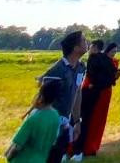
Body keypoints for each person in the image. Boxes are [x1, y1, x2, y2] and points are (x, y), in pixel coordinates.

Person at [40, 30, 88, 163]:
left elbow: (77, 93)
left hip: (65, 123)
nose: (87, 43)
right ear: (75, 47)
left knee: (58, 156)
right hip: (50, 122)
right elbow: (42, 99)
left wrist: (77, 121)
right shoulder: (57, 70)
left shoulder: (81, 67)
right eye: (84, 40)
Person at [74, 40, 120, 158]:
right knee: (97, 120)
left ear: (94, 47)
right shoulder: (109, 61)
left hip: (90, 93)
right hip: (103, 92)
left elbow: (91, 75)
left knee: (83, 120)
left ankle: (78, 148)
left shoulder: (93, 58)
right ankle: (91, 146)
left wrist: (93, 85)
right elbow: (112, 79)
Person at [6, 80, 61, 162]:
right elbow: (53, 141)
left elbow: (17, 146)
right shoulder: (56, 116)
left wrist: (9, 157)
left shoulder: (34, 119)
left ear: (41, 97)